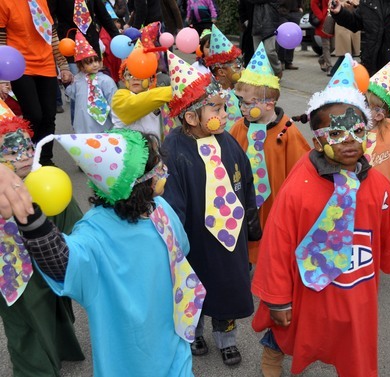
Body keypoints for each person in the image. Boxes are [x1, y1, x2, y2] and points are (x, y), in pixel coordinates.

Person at [251, 55, 390, 377]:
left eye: (356, 131)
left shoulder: (376, 183)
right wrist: (278, 299)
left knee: (354, 346)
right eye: (335, 134)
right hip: (306, 288)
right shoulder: (299, 186)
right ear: (318, 140)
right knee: (287, 330)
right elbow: (278, 243)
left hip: (354, 290)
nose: (348, 141)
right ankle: (272, 356)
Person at [15, 128, 202, 376]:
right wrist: (33, 221)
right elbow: (62, 262)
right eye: (157, 168)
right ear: (137, 184)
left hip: (173, 339)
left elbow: (182, 250)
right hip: (129, 358)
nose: (165, 171)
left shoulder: (159, 207)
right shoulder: (94, 233)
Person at [162, 51, 262, 367]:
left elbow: (245, 179)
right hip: (195, 238)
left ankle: (227, 337)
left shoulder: (227, 140)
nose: (225, 111)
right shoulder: (174, 150)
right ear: (191, 117)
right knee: (195, 288)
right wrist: (174, 241)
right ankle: (195, 331)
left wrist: (251, 220)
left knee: (228, 290)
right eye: (216, 108)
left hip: (229, 237)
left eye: (222, 106)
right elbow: (170, 198)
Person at [0, 116, 85, 377]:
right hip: (11, 270)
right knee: (25, 321)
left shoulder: (49, 182)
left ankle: (60, 348)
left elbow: (75, 225)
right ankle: (34, 370)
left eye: (27, 147)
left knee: (56, 306)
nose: (23, 156)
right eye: (11, 152)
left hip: (48, 264)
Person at [231, 41, 310, 266]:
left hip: (275, 202)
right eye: (239, 102)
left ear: (269, 104)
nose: (242, 108)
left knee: (274, 241)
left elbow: (301, 169)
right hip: (246, 200)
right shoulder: (239, 127)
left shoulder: (287, 131)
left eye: (246, 103)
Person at [0, 0, 73, 166]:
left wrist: (63, 65)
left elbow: (52, 34)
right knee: (33, 114)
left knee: (49, 114)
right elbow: (1, 38)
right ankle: (30, 157)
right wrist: (3, 75)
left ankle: (45, 159)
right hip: (20, 65)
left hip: (46, 63)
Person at [111, 46, 173, 140]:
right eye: (130, 74)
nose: (135, 78)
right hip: (130, 153)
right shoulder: (119, 98)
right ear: (123, 79)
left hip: (153, 151)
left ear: (152, 80)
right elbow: (137, 102)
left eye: (140, 73)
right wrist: (174, 90)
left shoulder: (157, 97)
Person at [66, 33, 117, 133]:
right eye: (89, 62)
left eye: (96, 61)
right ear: (81, 66)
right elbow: (71, 93)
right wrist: (69, 80)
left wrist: (117, 123)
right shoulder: (78, 80)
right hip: (83, 123)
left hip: (104, 126)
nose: (94, 65)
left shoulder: (106, 80)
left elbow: (113, 101)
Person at [203, 25, 245, 131]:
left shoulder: (239, 91)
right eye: (238, 66)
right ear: (221, 72)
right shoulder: (212, 96)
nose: (243, 69)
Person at [248, 0, 283, 77]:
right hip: (256, 25)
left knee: (269, 51)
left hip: (270, 26)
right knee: (257, 54)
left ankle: (277, 70)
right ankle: (262, 75)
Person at [277, 0, 302, 70]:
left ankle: (288, 62)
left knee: (293, 37)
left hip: (295, 12)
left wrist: (300, 7)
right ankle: (281, 61)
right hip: (282, 12)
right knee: (283, 37)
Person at [311, 0, 333, 75]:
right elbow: (313, 4)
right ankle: (329, 66)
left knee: (333, 46)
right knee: (326, 46)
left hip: (333, 19)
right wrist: (320, 16)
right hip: (324, 21)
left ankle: (321, 59)